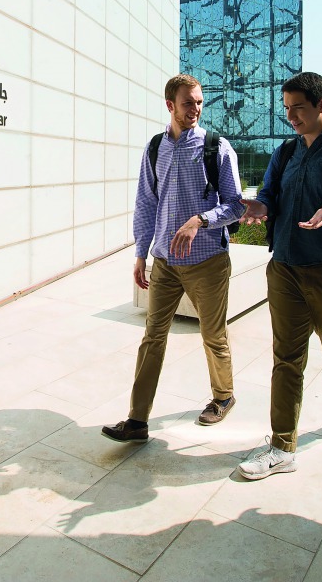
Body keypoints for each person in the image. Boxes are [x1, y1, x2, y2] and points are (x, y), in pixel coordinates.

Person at [235, 71, 322, 480]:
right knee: (287, 358)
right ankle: (282, 445)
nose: (291, 116)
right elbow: (270, 195)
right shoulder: (285, 153)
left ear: (321, 105)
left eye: (298, 107)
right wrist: (259, 208)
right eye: (287, 108)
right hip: (284, 269)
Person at [102, 74, 246, 443]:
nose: (195, 109)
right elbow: (146, 203)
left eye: (199, 102)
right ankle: (137, 421)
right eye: (188, 103)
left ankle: (223, 396)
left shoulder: (217, 148)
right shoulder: (155, 149)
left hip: (208, 261)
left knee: (213, 334)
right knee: (152, 337)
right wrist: (140, 253)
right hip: (164, 262)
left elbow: (235, 206)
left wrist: (200, 220)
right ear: (170, 105)